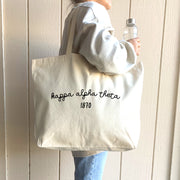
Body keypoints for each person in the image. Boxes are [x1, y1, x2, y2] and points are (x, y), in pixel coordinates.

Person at [59, 0, 141, 179]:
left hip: (79, 113)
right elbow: (108, 59)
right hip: (94, 115)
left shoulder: (76, 13)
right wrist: (130, 49)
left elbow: (94, 52)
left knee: (85, 172)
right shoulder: (93, 10)